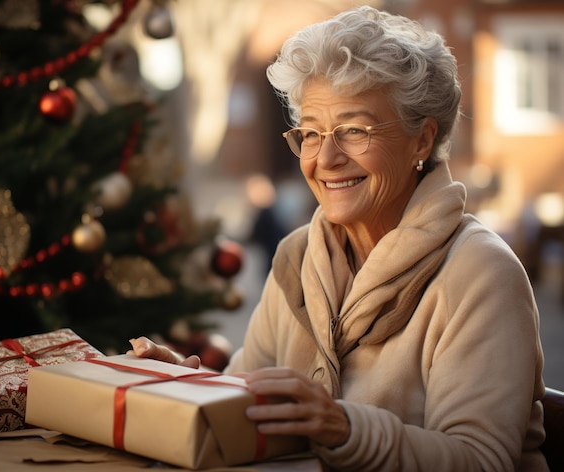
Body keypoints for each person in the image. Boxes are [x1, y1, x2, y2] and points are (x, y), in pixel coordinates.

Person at [129, 5, 548, 471]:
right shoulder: (297, 255)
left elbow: (483, 461)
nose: (325, 158)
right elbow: (251, 401)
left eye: (352, 130)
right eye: (311, 133)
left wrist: (343, 429)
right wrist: (195, 388)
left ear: (422, 140)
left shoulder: (481, 274)